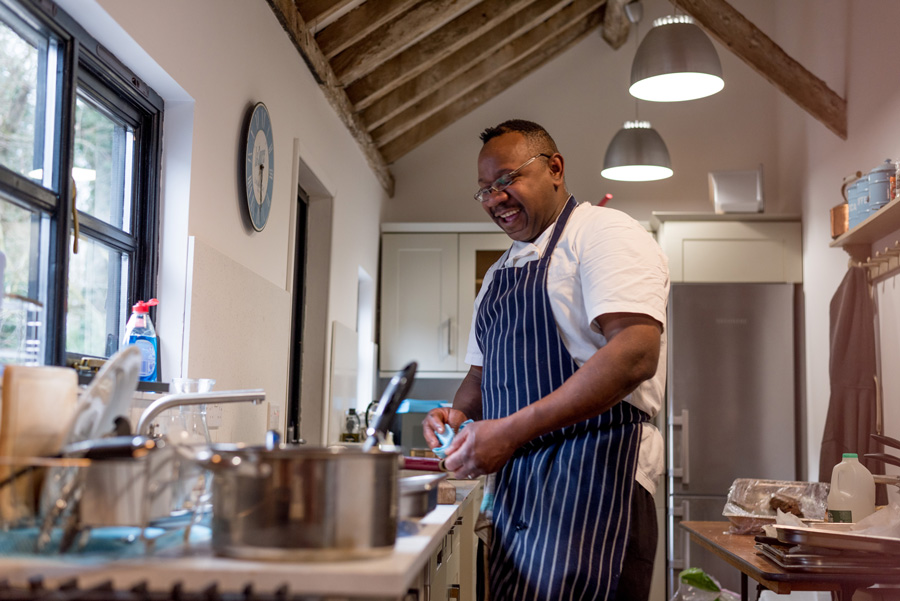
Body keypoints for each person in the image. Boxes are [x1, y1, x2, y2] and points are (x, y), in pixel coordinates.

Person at [422, 119, 668, 601]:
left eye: (507, 179)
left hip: (596, 483)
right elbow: (479, 376)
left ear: (555, 168)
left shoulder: (603, 234)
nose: (495, 198)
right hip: (518, 495)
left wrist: (509, 432)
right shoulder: (499, 274)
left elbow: (635, 354)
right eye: (485, 190)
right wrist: (456, 417)